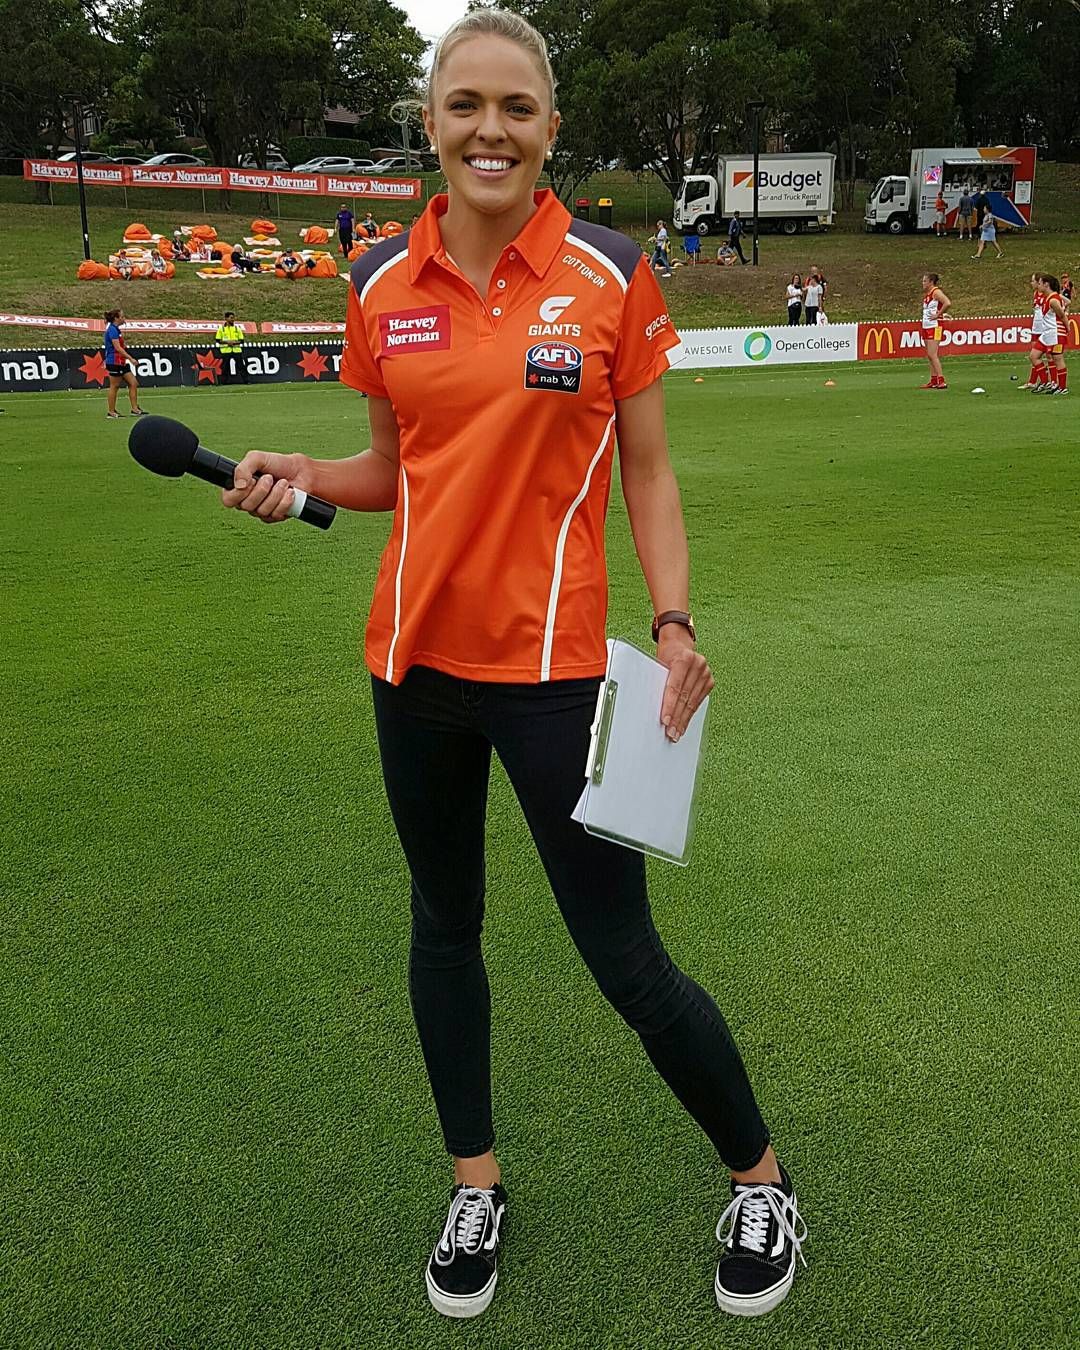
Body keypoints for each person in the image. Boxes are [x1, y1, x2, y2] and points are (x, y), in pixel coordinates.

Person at [221, 6, 807, 1326]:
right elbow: (391, 469)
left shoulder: (612, 271)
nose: (491, 130)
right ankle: (474, 1184)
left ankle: (762, 1179)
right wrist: (301, 471)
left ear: (550, 127)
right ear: (431, 123)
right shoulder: (377, 279)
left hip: (555, 679)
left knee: (625, 957)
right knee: (444, 929)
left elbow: (648, 472)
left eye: (516, 108)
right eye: (465, 105)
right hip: (411, 667)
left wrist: (674, 622)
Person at [102, 309, 146, 419]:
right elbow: (117, 348)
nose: (124, 319)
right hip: (114, 361)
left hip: (121, 362)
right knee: (115, 386)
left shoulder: (116, 330)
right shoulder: (112, 330)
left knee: (133, 383)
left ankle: (135, 409)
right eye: (122, 317)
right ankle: (111, 412)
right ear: (116, 318)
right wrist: (130, 358)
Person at [1036, 274, 1069, 395]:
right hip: (1049, 333)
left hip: (1056, 333)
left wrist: (1067, 328)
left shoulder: (1053, 300)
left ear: (1046, 284)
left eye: (1040, 283)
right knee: (1035, 355)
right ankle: (1050, 383)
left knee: (1058, 358)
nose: (1038, 286)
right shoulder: (1049, 298)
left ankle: (1062, 387)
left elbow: (1062, 315)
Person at [919, 271, 951, 389]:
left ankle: (941, 380)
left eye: (925, 281)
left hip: (935, 326)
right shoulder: (928, 294)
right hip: (927, 326)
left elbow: (947, 303)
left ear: (931, 282)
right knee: (929, 355)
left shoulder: (936, 292)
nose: (923, 283)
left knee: (933, 354)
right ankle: (933, 380)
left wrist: (939, 314)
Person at [1021, 272, 1051, 391]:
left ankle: (1048, 382)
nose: (1031, 283)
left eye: (1033, 281)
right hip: (1036, 329)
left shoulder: (1047, 294)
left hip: (1045, 329)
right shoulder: (1035, 294)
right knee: (1034, 355)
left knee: (1047, 356)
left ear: (1039, 282)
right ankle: (1033, 382)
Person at [215, 311, 248, 385]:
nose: (233, 319)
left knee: (241, 366)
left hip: (236, 350)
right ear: (226, 318)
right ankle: (223, 382)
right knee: (225, 367)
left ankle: (246, 381)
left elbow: (241, 340)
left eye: (233, 318)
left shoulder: (237, 329)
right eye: (231, 318)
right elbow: (218, 340)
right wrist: (227, 342)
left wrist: (234, 343)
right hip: (226, 350)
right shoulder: (221, 329)